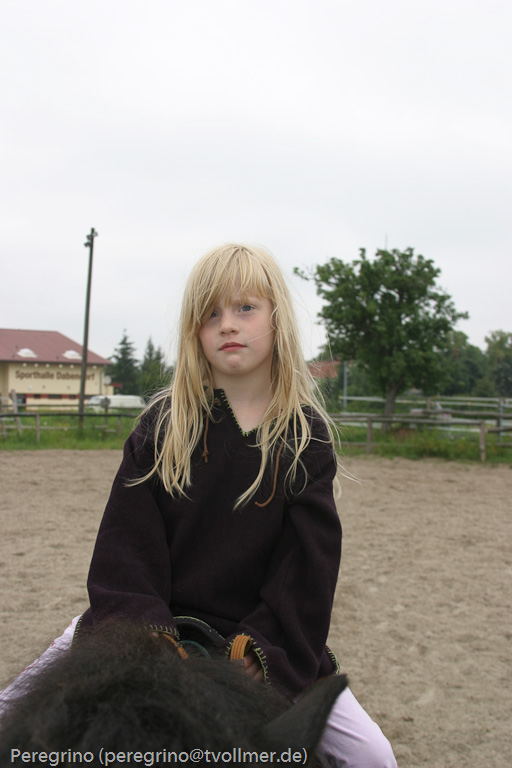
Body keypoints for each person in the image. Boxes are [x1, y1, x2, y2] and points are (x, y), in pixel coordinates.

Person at [3, 244, 397, 768]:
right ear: (194, 331)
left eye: (245, 308)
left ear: (277, 319)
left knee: (373, 756)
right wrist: (145, 631)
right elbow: (126, 543)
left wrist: (262, 650)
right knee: (9, 716)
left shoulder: (306, 438)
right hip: (144, 621)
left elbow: (306, 567)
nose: (227, 324)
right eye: (211, 313)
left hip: (260, 640)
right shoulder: (163, 425)